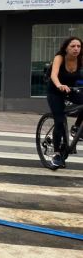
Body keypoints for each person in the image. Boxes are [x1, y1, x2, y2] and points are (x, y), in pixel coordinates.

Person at [46, 37, 83, 169]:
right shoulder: (60, 57)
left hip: (71, 90)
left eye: (78, 46)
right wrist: (59, 85)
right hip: (55, 91)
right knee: (60, 121)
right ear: (66, 47)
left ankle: (76, 128)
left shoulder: (80, 58)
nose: (76, 49)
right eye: (73, 46)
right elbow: (54, 75)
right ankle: (56, 154)